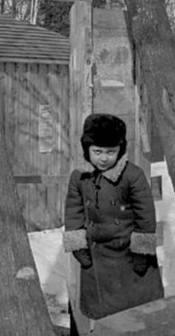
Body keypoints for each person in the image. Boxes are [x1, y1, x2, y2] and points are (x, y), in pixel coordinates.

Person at [63, 113, 164, 321]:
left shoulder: (132, 175)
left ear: (120, 150)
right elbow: (73, 212)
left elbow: (145, 216)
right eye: (97, 151)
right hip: (96, 258)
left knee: (138, 315)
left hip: (130, 257)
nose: (103, 158)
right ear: (87, 149)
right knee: (105, 318)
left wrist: (141, 252)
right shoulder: (79, 177)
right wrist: (77, 245)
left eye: (111, 152)